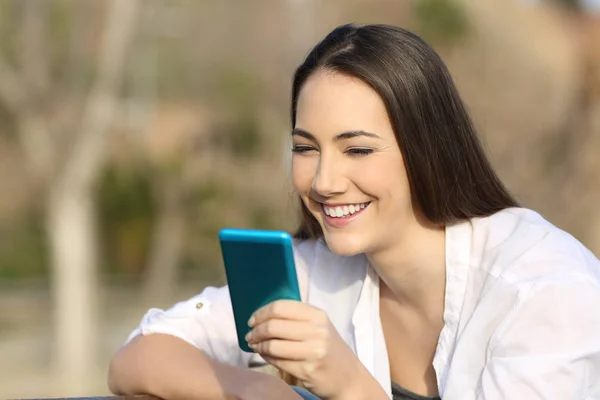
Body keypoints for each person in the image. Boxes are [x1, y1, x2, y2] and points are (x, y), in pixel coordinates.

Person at [107, 23, 600, 400]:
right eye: (305, 148)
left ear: (428, 148)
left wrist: (349, 386)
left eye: (357, 150)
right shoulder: (317, 270)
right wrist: (263, 391)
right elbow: (140, 356)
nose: (323, 181)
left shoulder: (546, 293)